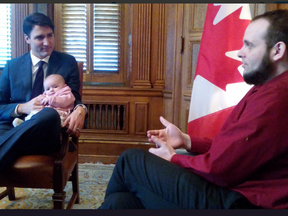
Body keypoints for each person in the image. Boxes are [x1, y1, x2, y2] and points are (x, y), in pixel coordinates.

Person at [99, 9, 288, 209]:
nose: (240, 52)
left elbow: (219, 168)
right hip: (235, 190)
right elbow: (233, 150)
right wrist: (186, 140)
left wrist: (173, 157)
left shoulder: (277, 97)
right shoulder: (269, 87)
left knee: (130, 161)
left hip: (241, 202)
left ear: (277, 51)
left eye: (249, 45)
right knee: (121, 202)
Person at [0, 12, 87, 173]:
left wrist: (82, 108)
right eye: (40, 37)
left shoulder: (67, 63)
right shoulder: (12, 66)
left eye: (50, 35)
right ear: (27, 39)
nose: (47, 42)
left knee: (49, 114)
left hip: (47, 133)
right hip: (14, 125)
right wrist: (22, 108)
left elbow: (74, 98)